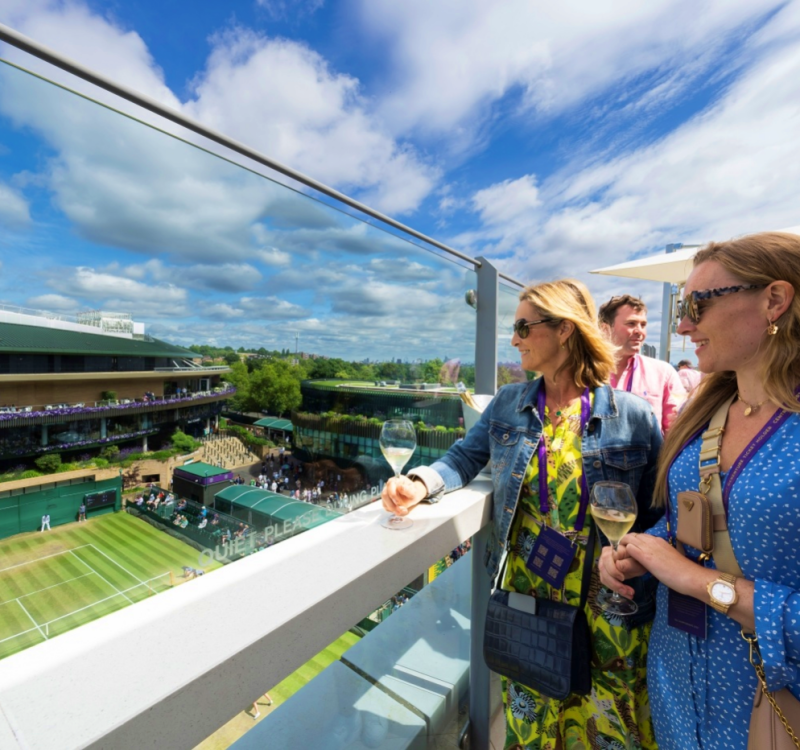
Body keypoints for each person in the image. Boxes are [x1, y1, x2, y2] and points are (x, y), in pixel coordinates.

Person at [383, 279, 663, 749]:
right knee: (531, 731)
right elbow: (463, 458)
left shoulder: (633, 416)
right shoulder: (510, 405)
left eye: (522, 327)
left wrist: (642, 556)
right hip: (529, 604)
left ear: (565, 330)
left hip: (608, 605)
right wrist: (419, 483)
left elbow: (659, 512)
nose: (514, 340)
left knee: (613, 732)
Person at [599, 232, 800, 750]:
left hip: (765, 704)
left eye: (697, 305)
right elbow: (703, 518)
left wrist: (691, 578)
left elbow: (694, 570)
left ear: (775, 300)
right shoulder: (707, 414)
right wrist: (648, 549)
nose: (683, 325)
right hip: (676, 688)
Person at [599, 294, 686, 432]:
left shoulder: (663, 372)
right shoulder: (584, 371)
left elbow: (676, 429)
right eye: (631, 324)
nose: (640, 331)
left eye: (643, 325)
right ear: (605, 329)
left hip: (649, 452)